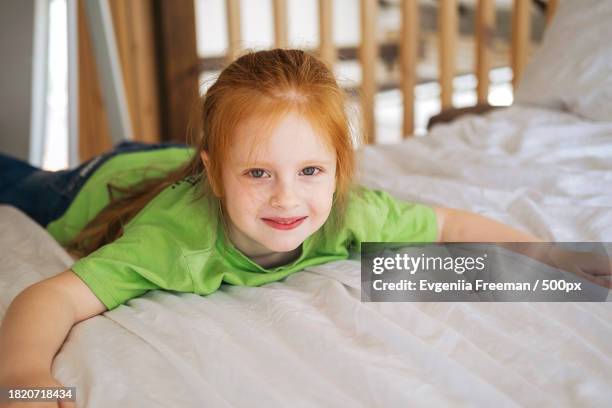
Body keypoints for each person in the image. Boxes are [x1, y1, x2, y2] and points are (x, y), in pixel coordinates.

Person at [0, 49, 609, 406]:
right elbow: (50, 297)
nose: (288, 197)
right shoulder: (179, 243)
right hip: (90, 186)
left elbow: (447, 225)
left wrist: (547, 251)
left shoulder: (345, 208)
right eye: (259, 173)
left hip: (174, 159)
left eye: (310, 169)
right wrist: (23, 379)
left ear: (339, 169)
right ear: (215, 176)